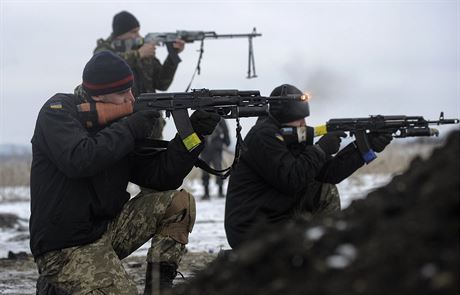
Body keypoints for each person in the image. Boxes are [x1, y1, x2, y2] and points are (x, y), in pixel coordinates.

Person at [30, 51, 220, 294]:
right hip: (64, 246)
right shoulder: (57, 111)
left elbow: (161, 177)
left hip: (106, 230)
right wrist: (130, 129)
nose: (131, 98)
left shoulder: (118, 124)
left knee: (178, 203)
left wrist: (192, 135)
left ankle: (159, 288)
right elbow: (80, 159)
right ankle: (55, 283)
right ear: (99, 94)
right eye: (123, 93)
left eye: (131, 90)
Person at [224, 84, 392, 249]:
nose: (304, 124)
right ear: (285, 117)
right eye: (300, 119)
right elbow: (292, 179)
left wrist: (365, 147)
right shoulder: (264, 137)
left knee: (325, 188)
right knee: (324, 191)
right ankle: (325, 252)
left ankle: (326, 251)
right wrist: (320, 149)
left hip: (274, 218)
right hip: (250, 230)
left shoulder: (287, 136)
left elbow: (328, 174)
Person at [94, 10, 186, 139]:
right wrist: (138, 55)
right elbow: (105, 66)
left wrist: (172, 56)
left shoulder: (143, 52)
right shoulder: (105, 50)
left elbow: (162, 83)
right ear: (120, 34)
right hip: (120, 129)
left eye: (138, 31)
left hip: (152, 128)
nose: (138, 36)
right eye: (133, 32)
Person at [200, 118, 231, 200]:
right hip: (206, 147)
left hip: (214, 146)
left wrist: (226, 141)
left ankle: (219, 191)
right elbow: (226, 131)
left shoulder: (219, 118)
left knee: (218, 169)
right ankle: (207, 192)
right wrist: (226, 142)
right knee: (206, 170)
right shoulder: (217, 117)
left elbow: (225, 130)